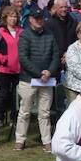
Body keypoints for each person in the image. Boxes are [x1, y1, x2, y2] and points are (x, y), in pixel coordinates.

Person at [16, 8, 60, 150]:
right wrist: (39, 73)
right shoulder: (25, 35)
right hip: (28, 79)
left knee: (44, 112)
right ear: (30, 19)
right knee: (25, 111)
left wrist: (49, 71)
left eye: (40, 18)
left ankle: (47, 141)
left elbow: (55, 56)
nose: (39, 20)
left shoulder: (50, 34)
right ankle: (20, 139)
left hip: (47, 79)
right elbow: (23, 58)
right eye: (36, 18)